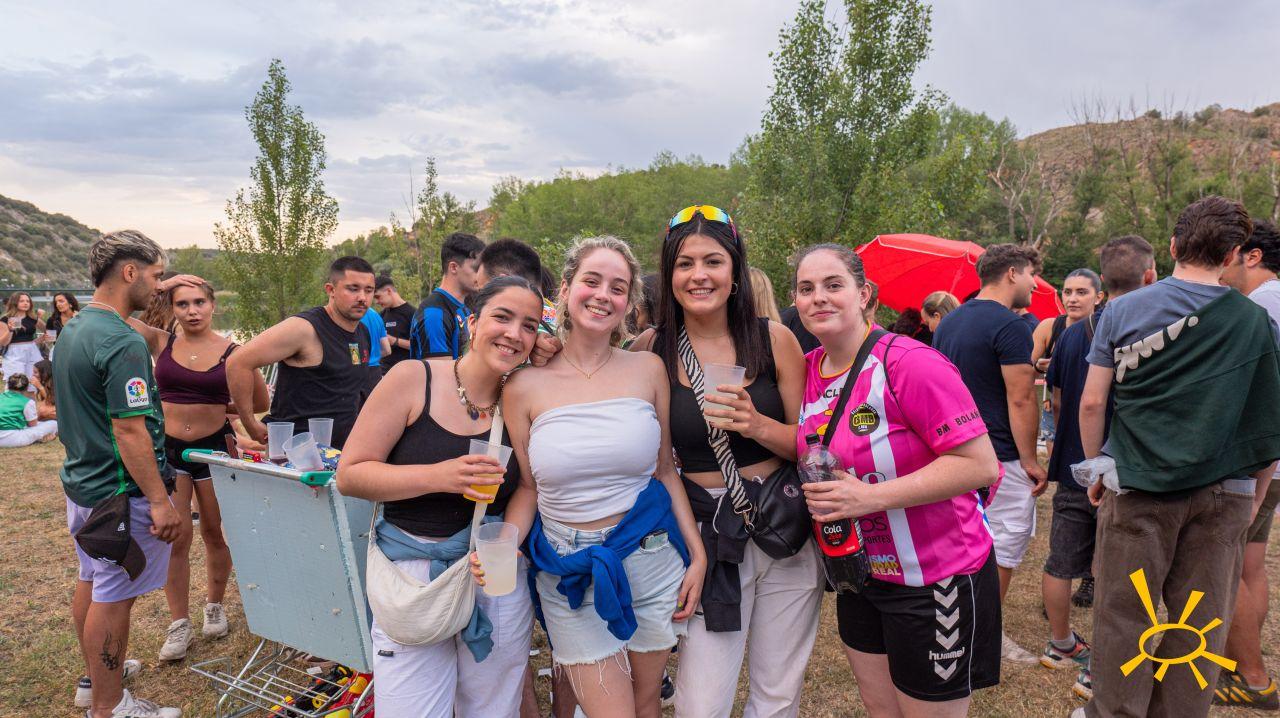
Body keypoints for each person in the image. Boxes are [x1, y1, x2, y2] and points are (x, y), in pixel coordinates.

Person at [1075, 197, 1280, 718]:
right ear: (1233, 255)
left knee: (1124, 615)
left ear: (1171, 246)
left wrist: (1096, 466)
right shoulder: (1256, 322)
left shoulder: (1123, 310)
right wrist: (1254, 499)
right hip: (1226, 493)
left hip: (1138, 483)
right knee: (1201, 622)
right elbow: (1267, 422)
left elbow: (1093, 401)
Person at [498, 236, 705, 718]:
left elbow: (665, 471)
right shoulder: (523, 384)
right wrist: (506, 542)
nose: (602, 295)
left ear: (629, 303)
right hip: (570, 570)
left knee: (647, 702)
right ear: (565, 289)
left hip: (652, 556)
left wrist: (697, 555)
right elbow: (529, 487)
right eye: (591, 281)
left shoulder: (648, 368)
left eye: (618, 287)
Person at [792, 243, 1002, 716]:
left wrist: (868, 498)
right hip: (859, 575)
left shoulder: (908, 361)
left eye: (833, 285)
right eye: (806, 289)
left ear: (864, 294)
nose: (818, 297)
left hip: (935, 577)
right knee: (880, 708)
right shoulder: (806, 370)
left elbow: (979, 465)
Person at [629, 206, 818, 718]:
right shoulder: (651, 349)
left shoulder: (774, 339)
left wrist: (757, 425)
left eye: (713, 261)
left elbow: (810, 446)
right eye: (685, 263)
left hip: (781, 522)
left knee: (778, 691)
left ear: (735, 270)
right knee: (700, 700)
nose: (699, 275)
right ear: (669, 275)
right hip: (705, 529)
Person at [337, 275, 543, 717]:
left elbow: (528, 486)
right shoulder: (414, 378)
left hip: (492, 572)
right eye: (503, 317)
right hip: (413, 574)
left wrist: (508, 538)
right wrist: (439, 476)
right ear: (472, 321)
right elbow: (350, 475)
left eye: (529, 325)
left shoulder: (522, 395)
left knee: (492, 709)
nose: (514, 333)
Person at [55, 230, 188, 718]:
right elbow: (129, 429)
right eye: (156, 275)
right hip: (118, 493)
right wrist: (159, 500)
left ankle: (95, 680)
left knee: (92, 580)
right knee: (114, 597)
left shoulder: (76, 327)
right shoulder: (121, 340)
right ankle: (110, 706)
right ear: (129, 272)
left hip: (83, 484)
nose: (160, 287)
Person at [123, 281, 270, 662]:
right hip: (170, 450)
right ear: (172, 308)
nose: (192, 311)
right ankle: (179, 624)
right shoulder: (162, 342)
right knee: (177, 537)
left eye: (199, 302)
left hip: (214, 449)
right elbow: (114, 315)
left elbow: (259, 400)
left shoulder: (234, 352)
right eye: (183, 303)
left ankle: (214, 607)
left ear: (212, 305)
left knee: (214, 531)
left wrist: (221, 404)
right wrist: (163, 284)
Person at [1039, 237, 1156, 701]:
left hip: (1075, 463)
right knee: (1114, 569)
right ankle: (1101, 667)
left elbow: (1057, 398)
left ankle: (1060, 643)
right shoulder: (1150, 327)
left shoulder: (1071, 334)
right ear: (1150, 276)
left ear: (1102, 283)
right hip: (1119, 468)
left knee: (1060, 559)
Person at [933, 243, 1047, 665]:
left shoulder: (950, 321)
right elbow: (1021, 399)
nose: (1035, 285)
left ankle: (957, 624)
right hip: (1000, 454)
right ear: (1013, 273)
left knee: (962, 542)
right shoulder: (1011, 325)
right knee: (1001, 545)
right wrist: (1030, 460)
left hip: (954, 449)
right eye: (1032, 274)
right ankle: (985, 633)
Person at [1214, 218, 1280, 709]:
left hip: (1256, 459)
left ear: (1251, 256)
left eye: (1228, 253)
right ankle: (1240, 665)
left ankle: (1253, 679)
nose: (1221, 264)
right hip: (1271, 460)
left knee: (1228, 567)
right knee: (1251, 564)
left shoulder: (1260, 308)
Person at [227, 256, 374, 450]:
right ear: (331, 290)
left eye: (368, 290)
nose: (362, 297)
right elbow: (237, 363)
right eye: (353, 289)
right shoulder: (304, 329)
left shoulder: (362, 332)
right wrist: (250, 423)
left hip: (340, 454)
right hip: (294, 455)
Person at [1032, 270, 1103, 463]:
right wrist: (1039, 367)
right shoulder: (1049, 327)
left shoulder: (1105, 328)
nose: (1072, 299)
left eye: (1081, 292)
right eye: (1067, 292)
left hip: (1094, 410)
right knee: (1060, 466)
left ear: (1098, 297)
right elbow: (1022, 374)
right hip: (1055, 408)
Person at [411, 232, 485, 360]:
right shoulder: (434, 315)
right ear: (454, 267)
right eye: (476, 269)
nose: (481, 275)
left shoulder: (464, 307)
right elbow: (439, 371)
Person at [0, 373, 58, 447]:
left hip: (8, 433)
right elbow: (32, 425)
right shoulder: (27, 402)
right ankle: (43, 437)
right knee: (53, 424)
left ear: (8, 386)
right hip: (12, 438)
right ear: (27, 388)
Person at [1, 292, 46, 387]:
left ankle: (32, 398)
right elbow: (3, 343)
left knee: (33, 384)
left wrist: (38, 340)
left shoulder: (33, 318)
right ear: (14, 302)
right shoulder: (5, 319)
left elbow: (48, 330)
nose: (25, 303)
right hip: (14, 353)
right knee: (16, 385)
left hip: (32, 352)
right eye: (21, 301)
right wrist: (10, 330)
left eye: (28, 301)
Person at [375, 275, 415, 371]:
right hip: (383, 372)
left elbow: (420, 346)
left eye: (378, 297)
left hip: (406, 371)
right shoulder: (381, 315)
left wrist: (394, 341)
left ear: (389, 291)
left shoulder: (413, 313)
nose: (376, 302)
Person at [359, 303, 391, 402]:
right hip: (375, 374)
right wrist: (373, 356)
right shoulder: (376, 316)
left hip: (357, 372)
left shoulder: (353, 316)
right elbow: (387, 350)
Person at [42, 291, 81, 357]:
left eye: (61, 301)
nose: (58, 304)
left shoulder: (81, 317)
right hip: (58, 352)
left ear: (70, 303)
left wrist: (78, 320)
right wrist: (47, 339)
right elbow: (50, 341)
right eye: (56, 302)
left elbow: (86, 337)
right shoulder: (52, 320)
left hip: (77, 352)